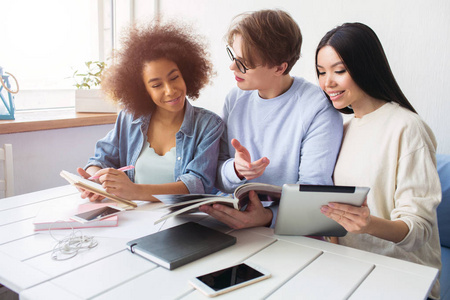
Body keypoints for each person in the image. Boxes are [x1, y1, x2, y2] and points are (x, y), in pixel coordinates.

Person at [316, 22, 441, 299]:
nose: (328, 83)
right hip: (350, 273)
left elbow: (418, 230)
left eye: (339, 71)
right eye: (321, 72)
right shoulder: (342, 129)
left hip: (402, 278)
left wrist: (367, 223)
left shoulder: (407, 128)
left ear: (365, 67)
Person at [200, 10, 343, 229]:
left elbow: (315, 196)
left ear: (280, 68)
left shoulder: (317, 109)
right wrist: (236, 169)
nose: (232, 67)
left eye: (244, 63)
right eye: (233, 57)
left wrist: (268, 217)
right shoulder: (235, 98)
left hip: (292, 233)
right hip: (235, 223)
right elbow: (216, 173)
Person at [77, 21, 224, 202]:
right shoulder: (129, 118)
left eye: (174, 77)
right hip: (133, 220)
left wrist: (135, 191)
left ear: (186, 74)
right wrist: (94, 182)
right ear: (142, 90)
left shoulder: (209, 125)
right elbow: (100, 160)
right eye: (156, 85)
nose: (170, 90)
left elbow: (198, 184)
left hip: (184, 223)